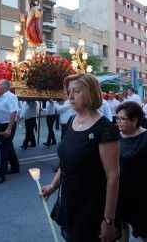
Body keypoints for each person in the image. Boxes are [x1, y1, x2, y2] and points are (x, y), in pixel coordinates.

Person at [42, 73, 120, 242]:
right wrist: (53, 185)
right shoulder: (72, 120)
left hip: (92, 204)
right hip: (70, 199)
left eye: (76, 91)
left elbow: (113, 177)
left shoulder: (104, 128)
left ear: (90, 92)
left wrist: (108, 220)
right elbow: (67, 161)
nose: (70, 97)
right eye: (68, 91)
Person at [116, 101, 147, 242]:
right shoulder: (114, 137)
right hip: (119, 192)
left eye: (122, 119)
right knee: (121, 231)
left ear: (135, 120)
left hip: (141, 194)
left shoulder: (145, 138)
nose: (118, 122)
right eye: (117, 118)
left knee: (143, 231)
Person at [0, 80, 19, 185]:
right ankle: (15, 167)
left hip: (8, 125)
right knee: (8, 147)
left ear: (5, 86)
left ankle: (1, 175)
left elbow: (13, 112)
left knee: (4, 150)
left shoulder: (11, 96)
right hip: (2, 125)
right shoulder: (1, 97)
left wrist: (9, 128)